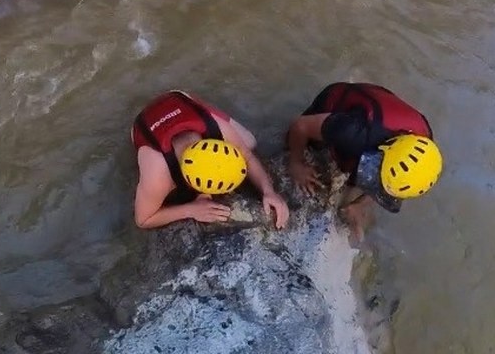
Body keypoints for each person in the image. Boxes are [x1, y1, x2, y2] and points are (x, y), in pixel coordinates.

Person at [284, 82, 443, 240]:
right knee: (293, 148)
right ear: (383, 150)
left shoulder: (424, 145)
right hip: (338, 102)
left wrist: (360, 204)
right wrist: (296, 164)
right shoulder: (353, 130)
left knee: (351, 176)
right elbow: (300, 126)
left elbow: (392, 184)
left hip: (376, 109)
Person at [131, 90, 289, 230]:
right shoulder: (158, 173)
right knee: (162, 195)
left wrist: (269, 191)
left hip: (180, 98)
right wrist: (190, 210)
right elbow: (143, 220)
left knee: (249, 141)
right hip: (143, 125)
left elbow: (246, 155)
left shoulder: (218, 130)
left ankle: (190, 98)